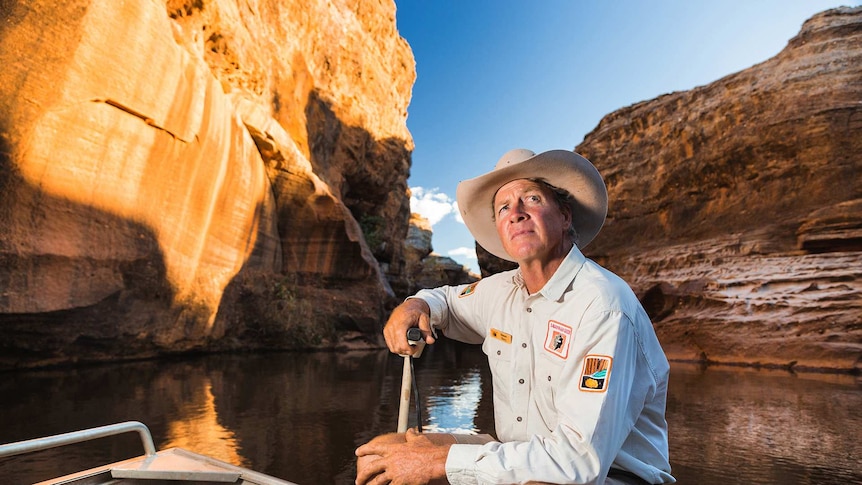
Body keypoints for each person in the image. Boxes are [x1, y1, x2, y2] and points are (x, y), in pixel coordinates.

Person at [355, 149, 675, 485]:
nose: (516, 213)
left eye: (532, 199)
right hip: (524, 457)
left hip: (610, 476)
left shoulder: (603, 306)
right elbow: (446, 302)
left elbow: (578, 464)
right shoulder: (500, 291)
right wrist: (416, 305)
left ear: (565, 216)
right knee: (382, 454)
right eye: (503, 207)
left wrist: (440, 461)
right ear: (501, 228)